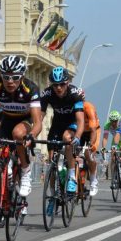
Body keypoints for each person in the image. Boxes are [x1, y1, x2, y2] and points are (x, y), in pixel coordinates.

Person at [0, 55, 42, 234]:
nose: (10, 81)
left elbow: (38, 121)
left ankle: (25, 170)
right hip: (6, 121)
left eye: (14, 77)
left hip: (24, 121)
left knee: (18, 134)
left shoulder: (31, 89)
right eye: (6, 77)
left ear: (22, 76)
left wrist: (32, 135)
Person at [39, 66, 85, 198]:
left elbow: (81, 120)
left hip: (72, 123)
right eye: (55, 85)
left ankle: (71, 176)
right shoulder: (47, 94)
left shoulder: (75, 94)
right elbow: (40, 118)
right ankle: (53, 196)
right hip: (57, 124)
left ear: (67, 83)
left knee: (67, 138)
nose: (58, 88)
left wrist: (77, 136)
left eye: (62, 84)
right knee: (52, 162)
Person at [81, 99, 101, 195]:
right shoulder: (72, 107)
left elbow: (93, 129)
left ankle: (93, 181)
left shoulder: (88, 107)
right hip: (81, 131)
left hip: (93, 131)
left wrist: (91, 145)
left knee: (88, 154)